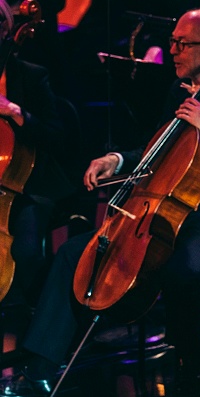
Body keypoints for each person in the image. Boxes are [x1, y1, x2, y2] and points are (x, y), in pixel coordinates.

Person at [0, 8, 200, 397]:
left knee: (180, 269)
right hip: (160, 206)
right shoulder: (177, 90)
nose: (172, 51)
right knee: (75, 252)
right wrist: (117, 159)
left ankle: (190, 362)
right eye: (172, 42)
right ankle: (40, 367)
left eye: (182, 44)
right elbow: (154, 149)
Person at [0, 0, 74, 307]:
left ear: (5, 30)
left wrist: (17, 113)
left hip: (26, 187)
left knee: (27, 253)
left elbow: (55, 136)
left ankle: (27, 319)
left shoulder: (31, 76)